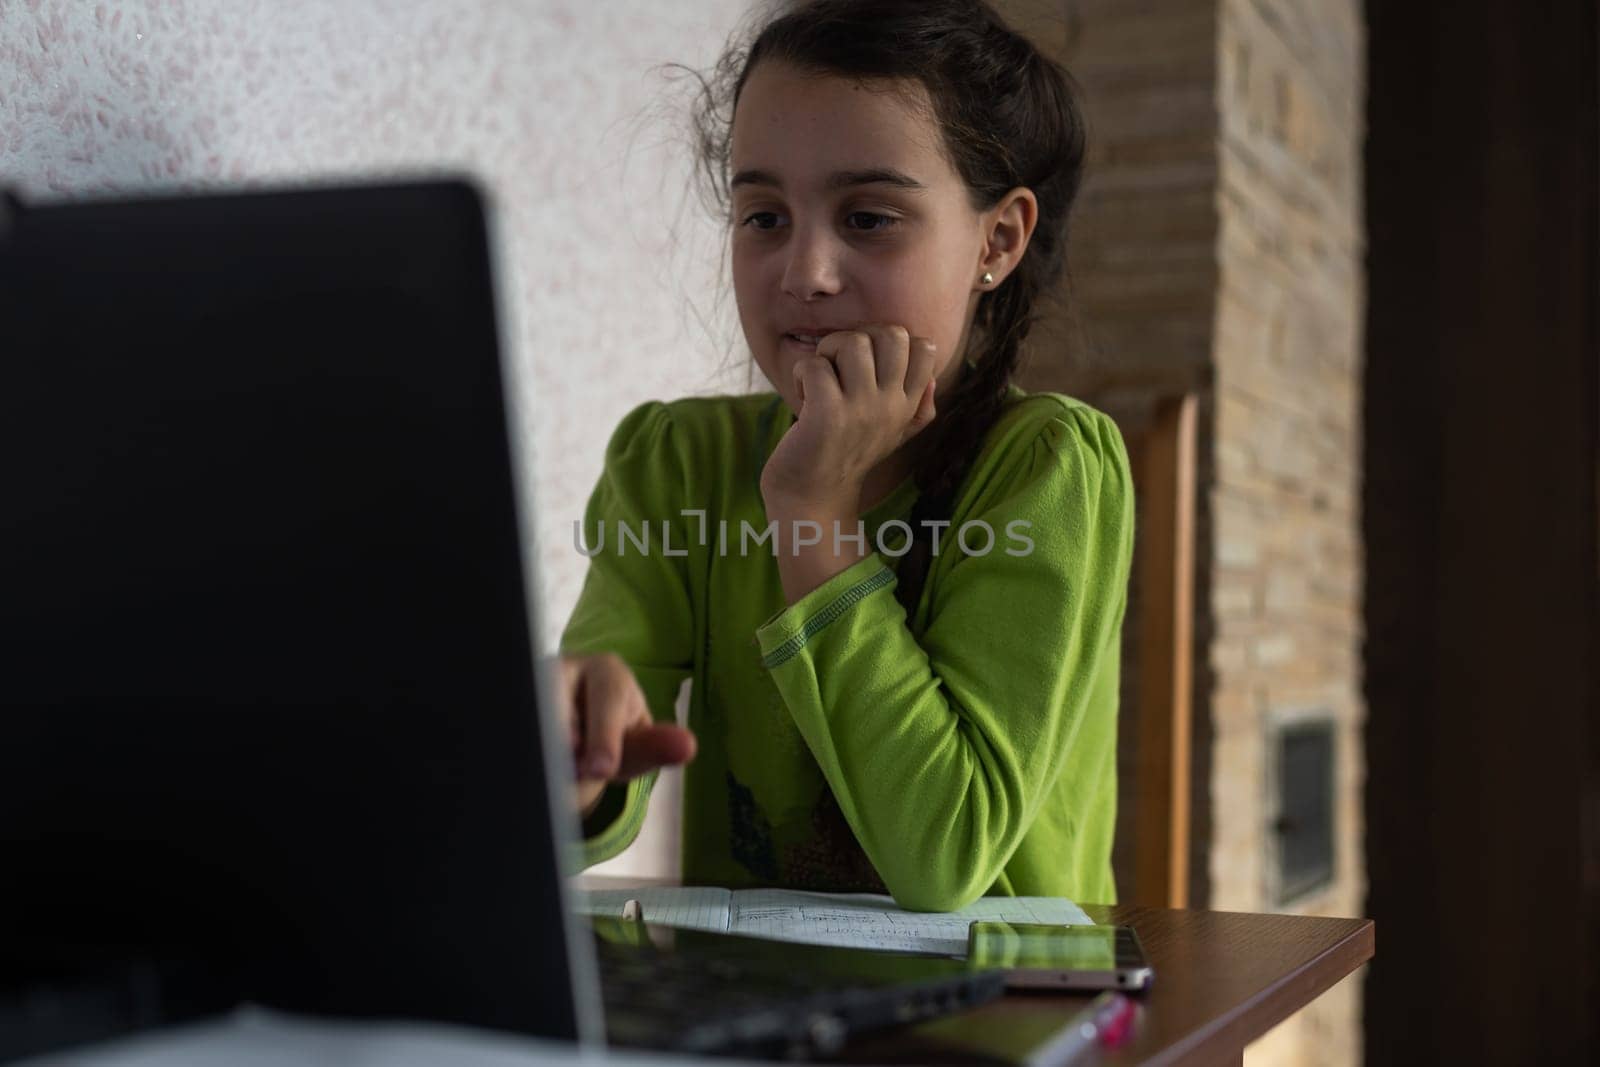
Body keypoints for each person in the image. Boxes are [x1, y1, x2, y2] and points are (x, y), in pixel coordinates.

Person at [555, 0, 1134, 911]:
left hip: (1006, 1023)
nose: (804, 272)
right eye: (764, 217)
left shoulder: (1047, 467)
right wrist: (572, 754)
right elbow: (597, 788)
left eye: (867, 218)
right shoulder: (676, 460)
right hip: (754, 1014)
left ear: (998, 240)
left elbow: (944, 858)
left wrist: (815, 518)